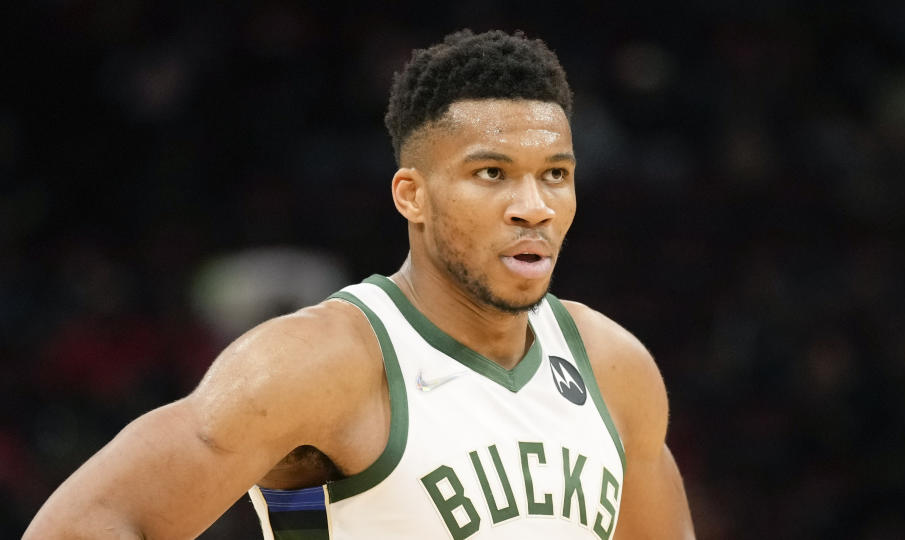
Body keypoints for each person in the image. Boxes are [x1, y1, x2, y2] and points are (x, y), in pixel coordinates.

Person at [24, 29, 695, 539]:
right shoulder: (321, 362)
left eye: (554, 173)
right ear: (413, 196)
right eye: (491, 173)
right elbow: (87, 524)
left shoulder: (612, 366)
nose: (533, 205)